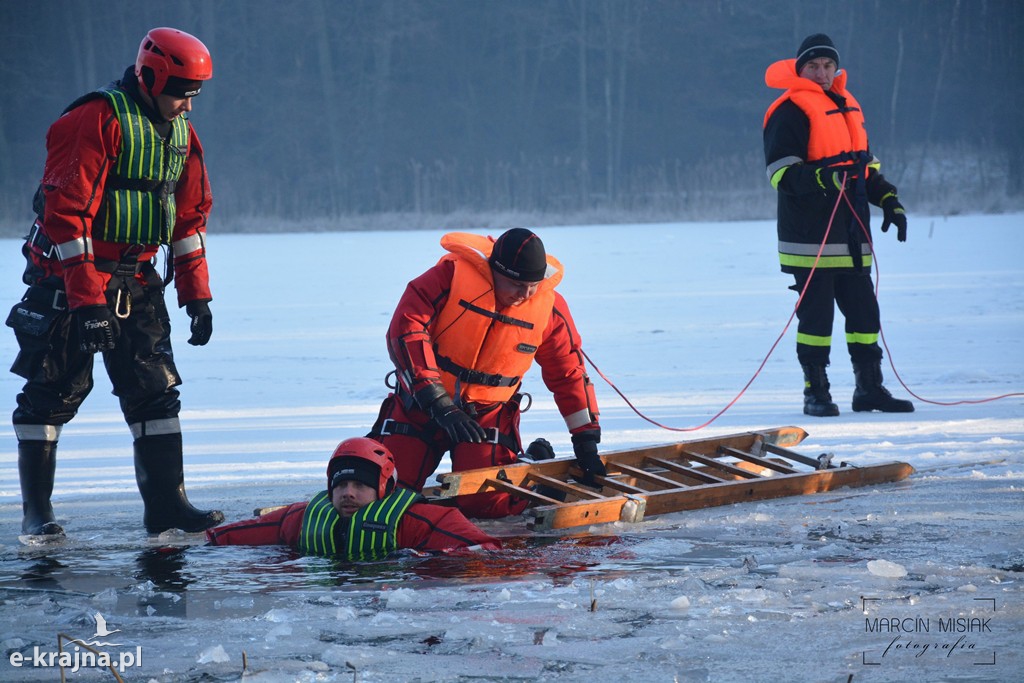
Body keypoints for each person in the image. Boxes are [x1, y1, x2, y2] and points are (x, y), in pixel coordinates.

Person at [6, 27, 222, 536]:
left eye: (194, 95)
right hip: (65, 281)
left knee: (155, 393)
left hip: (137, 281)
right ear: (150, 77)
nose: (186, 105)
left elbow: (189, 221)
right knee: (50, 392)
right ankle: (38, 516)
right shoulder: (94, 119)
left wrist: (197, 296)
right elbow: (66, 216)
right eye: (179, 93)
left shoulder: (182, 134)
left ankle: (167, 506)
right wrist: (86, 304)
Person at [366, 228, 606, 519]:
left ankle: (532, 462)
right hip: (421, 405)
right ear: (494, 270)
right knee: (380, 492)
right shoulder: (447, 279)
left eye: (533, 285)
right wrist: (438, 402)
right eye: (516, 284)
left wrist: (585, 441)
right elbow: (406, 330)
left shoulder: (549, 308)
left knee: (485, 506)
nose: (525, 294)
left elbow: (567, 373)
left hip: (485, 415)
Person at [763, 33, 914, 417]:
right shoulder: (789, 111)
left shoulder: (847, 106)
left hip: (851, 236)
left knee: (865, 315)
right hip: (809, 238)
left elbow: (866, 169)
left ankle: (869, 389)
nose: (822, 73)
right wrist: (821, 179)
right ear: (800, 70)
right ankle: (816, 391)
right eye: (813, 66)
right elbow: (781, 174)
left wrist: (889, 200)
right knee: (816, 320)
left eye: (828, 66)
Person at [206, 438, 501, 558]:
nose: (348, 493)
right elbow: (228, 537)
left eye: (360, 485)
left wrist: (426, 563)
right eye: (341, 484)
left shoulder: (424, 520)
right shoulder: (301, 518)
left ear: (383, 489)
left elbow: (486, 551)